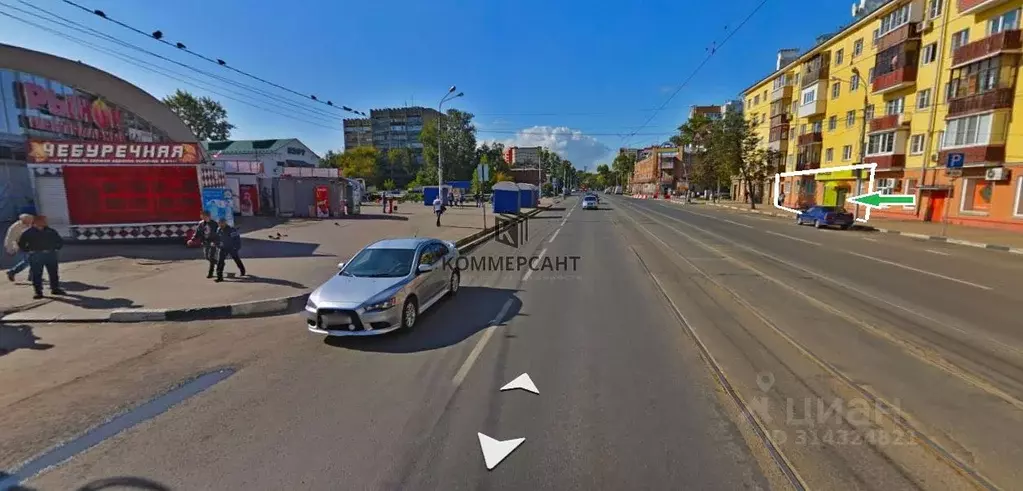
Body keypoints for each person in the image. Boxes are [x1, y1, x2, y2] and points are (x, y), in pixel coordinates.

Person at [17, 215, 65, 299]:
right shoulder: (28, 232)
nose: (45, 222)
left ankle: (55, 288)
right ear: (36, 222)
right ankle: (38, 292)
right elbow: (21, 244)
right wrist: (28, 250)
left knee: (53, 273)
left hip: (50, 255)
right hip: (36, 255)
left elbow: (59, 241)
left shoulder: (50, 231)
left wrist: (56, 248)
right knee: (37, 274)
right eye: (43, 221)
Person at [5, 213, 33, 282]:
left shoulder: (29, 224)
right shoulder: (15, 227)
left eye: (31, 220)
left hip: (30, 245)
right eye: (29, 220)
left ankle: (32, 276)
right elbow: (10, 239)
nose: (30, 222)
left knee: (34, 259)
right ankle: (12, 272)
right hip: (21, 245)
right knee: (28, 260)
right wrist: (10, 249)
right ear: (23, 220)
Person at [195, 211, 220, 279]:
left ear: (207, 216)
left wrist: (215, 242)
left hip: (213, 243)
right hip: (205, 242)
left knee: (211, 257)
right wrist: (192, 239)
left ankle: (210, 273)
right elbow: (197, 232)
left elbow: (218, 234)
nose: (201, 216)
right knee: (206, 256)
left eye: (202, 215)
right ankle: (218, 263)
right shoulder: (201, 223)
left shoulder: (214, 224)